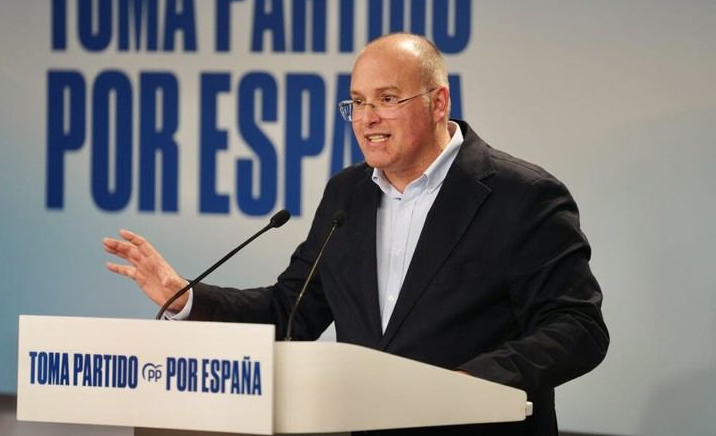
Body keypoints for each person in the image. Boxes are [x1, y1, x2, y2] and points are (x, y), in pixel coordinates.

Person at [103, 33, 609, 435]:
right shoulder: (348, 194)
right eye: (357, 102)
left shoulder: (521, 196)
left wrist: (472, 382)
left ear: (438, 102)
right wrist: (187, 297)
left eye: (387, 99)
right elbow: (292, 311)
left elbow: (578, 327)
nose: (367, 119)